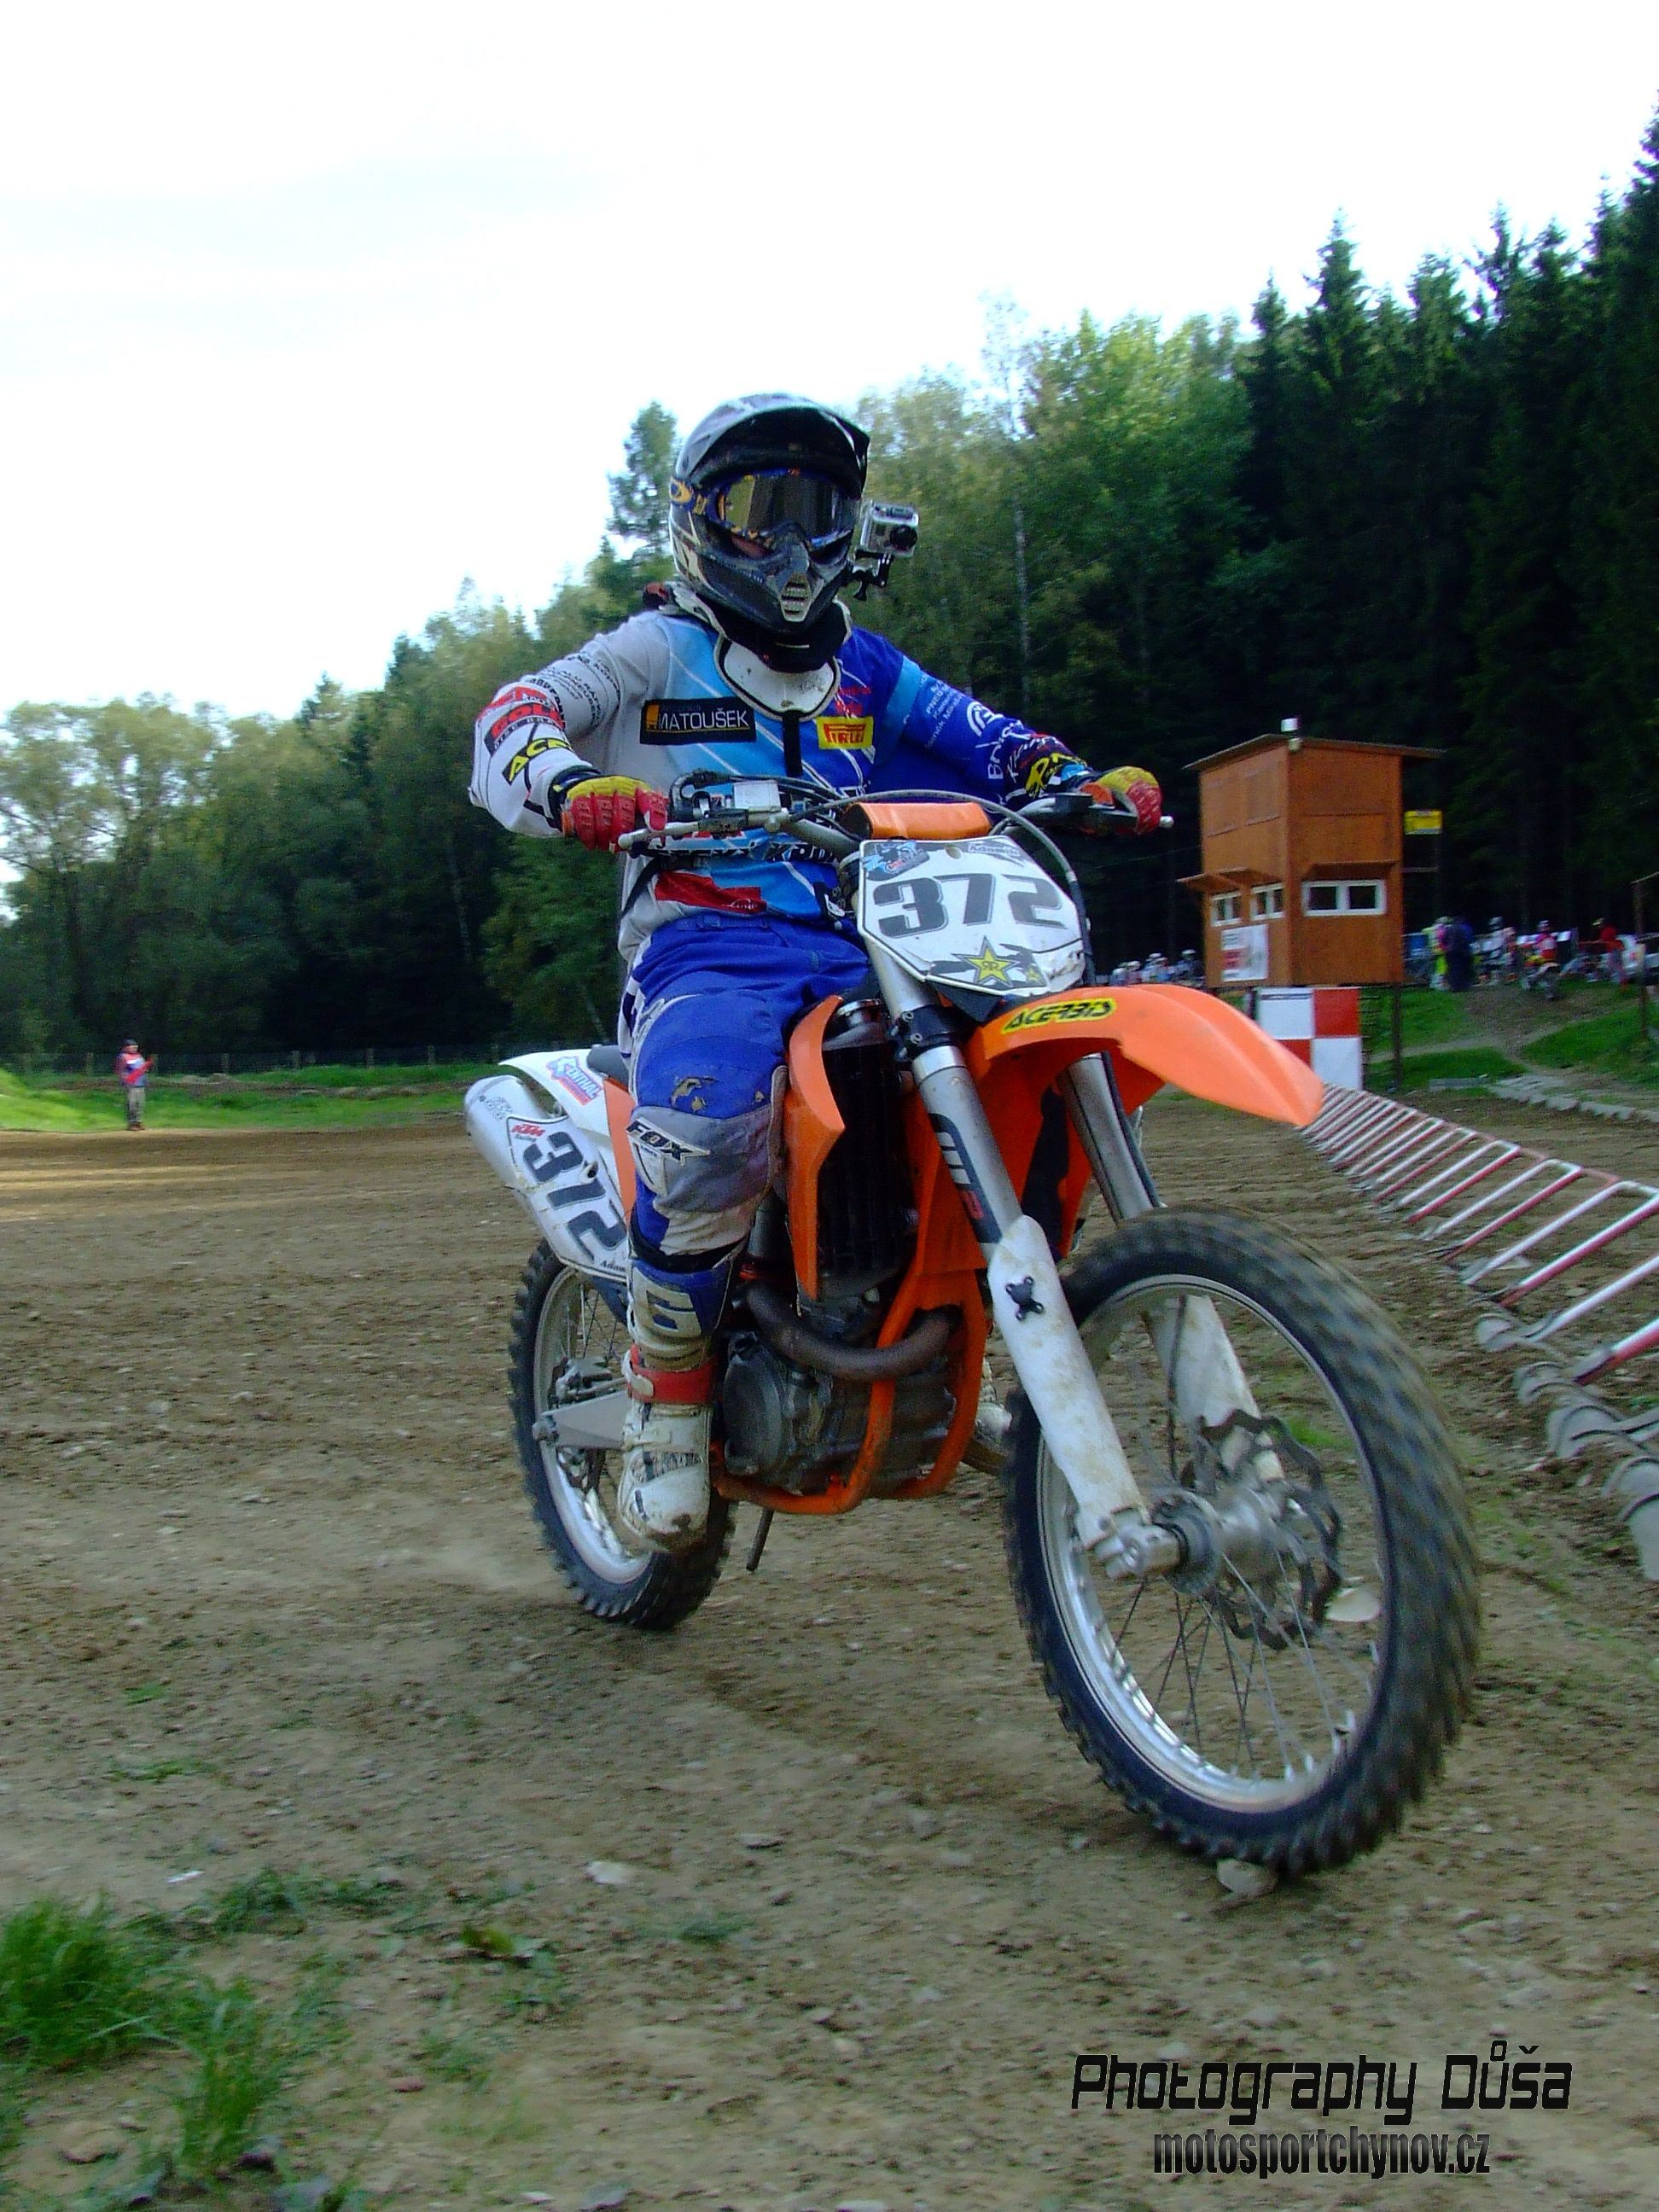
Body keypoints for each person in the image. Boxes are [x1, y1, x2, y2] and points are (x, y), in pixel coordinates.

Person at [469, 393, 1162, 1551]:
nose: (789, 544)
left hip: (873, 934)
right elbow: (520, 711)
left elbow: (978, 732)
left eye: (816, 509)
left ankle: (968, 1341)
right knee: (709, 1113)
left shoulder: (864, 668)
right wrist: (570, 783)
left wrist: (1068, 775)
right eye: (759, 508)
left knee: (1007, 1081)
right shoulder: (655, 649)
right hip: (709, 942)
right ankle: (669, 1392)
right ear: (700, 519)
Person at [114, 1039, 154, 1129]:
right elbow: (120, 1070)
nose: (134, 1049)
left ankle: (139, 1121)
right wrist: (124, 1081)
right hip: (131, 1084)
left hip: (141, 1083)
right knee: (131, 1104)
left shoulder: (139, 1056)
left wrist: (146, 1080)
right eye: (132, 1047)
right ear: (126, 1048)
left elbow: (143, 1069)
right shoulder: (123, 1057)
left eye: (135, 1047)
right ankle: (132, 1123)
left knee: (140, 1104)